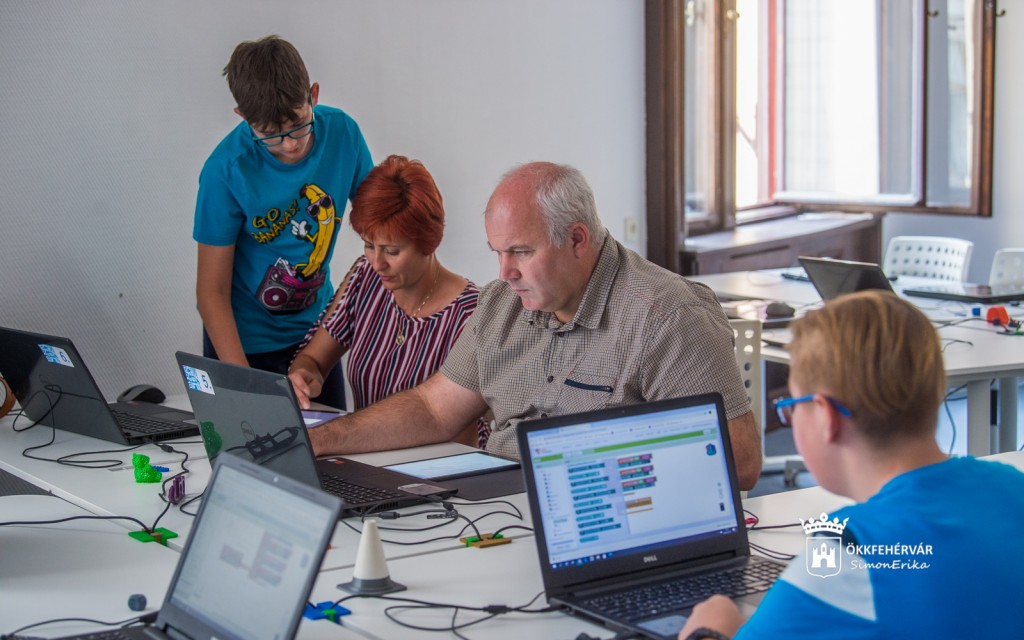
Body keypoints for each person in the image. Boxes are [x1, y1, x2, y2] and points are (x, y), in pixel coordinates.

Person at [307, 161, 761, 490]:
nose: (505, 272)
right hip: (497, 511)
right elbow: (433, 409)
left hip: (600, 518)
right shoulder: (500, 304)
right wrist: (322, 440)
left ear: (577, 239)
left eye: (521, 252)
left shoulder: (667, 316)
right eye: (498, 252)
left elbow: (740, 464)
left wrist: (579, 470)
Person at [666, 290, 1024, 640]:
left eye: (791, 407)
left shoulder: (850, 553)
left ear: (825, 417)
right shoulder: (1012, 487)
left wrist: (709, 631)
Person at [193, 35, 372, 410]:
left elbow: (379, 225)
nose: (290, 145)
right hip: (242, 342)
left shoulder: (344, 135)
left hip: (315, 335)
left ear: (313, 96)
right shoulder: (225, 171)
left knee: (331, 440)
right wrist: (245, 382)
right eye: (270, 134)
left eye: (298, 124)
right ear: (243, 117)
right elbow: (211, 293)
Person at [289, 154, 488, 447]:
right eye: (369, 245)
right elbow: (313, 359)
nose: (377, 262)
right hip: (362, 455)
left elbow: (462, 436)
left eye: (392, 251)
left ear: (429, 242)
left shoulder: (475, 314)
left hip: (435, 466)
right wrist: (305, 375)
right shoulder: (364, 276)